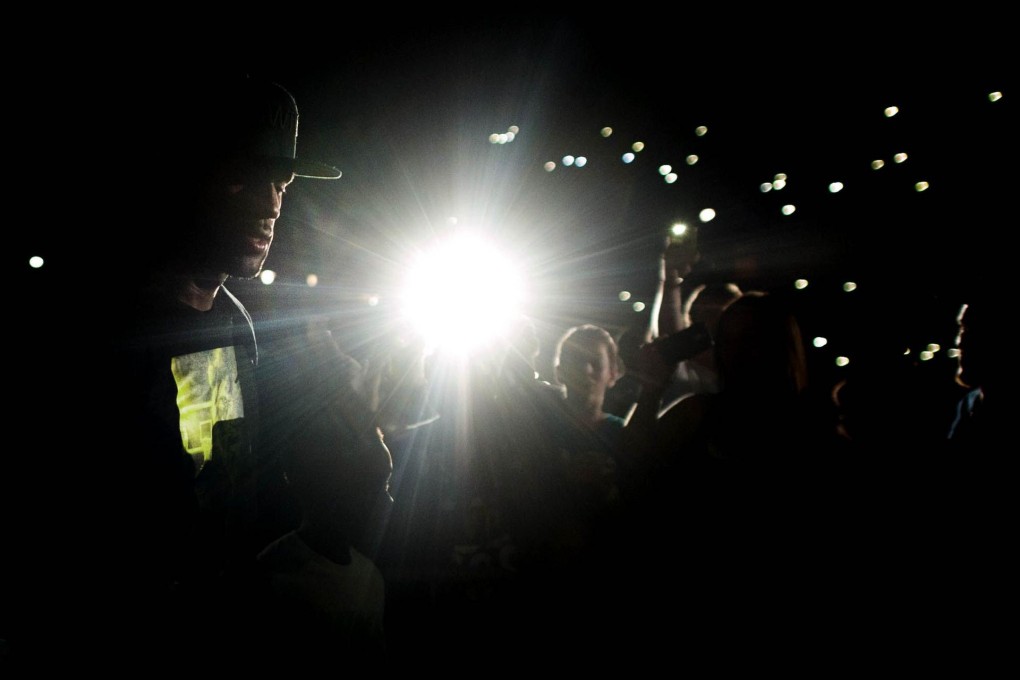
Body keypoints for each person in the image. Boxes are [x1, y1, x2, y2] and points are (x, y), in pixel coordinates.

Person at [38, 73, 361, 667]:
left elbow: (220, 475)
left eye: (282, 182)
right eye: (247, 174)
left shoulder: (232, 320)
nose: (269, 203)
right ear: (187, 171)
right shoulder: (94, 323)